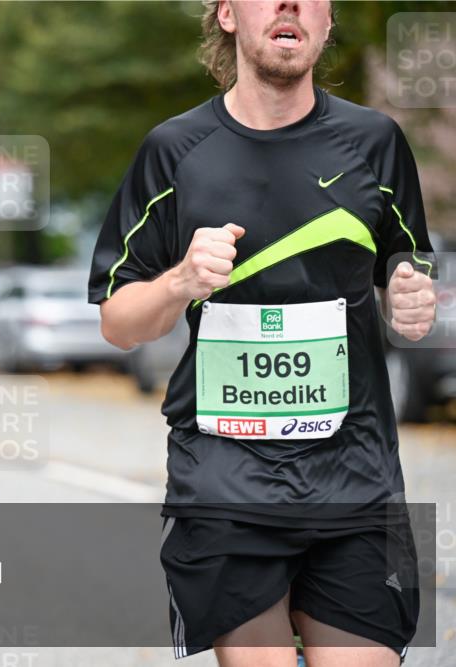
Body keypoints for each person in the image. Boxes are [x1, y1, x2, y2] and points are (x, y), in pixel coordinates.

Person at [89, 2, 436, 666]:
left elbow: (407, 267)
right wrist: (181, 280)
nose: (290, 4)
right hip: (226, 485)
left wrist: (411, 301)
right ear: (226, 14)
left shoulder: (375, 142)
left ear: (327, 22)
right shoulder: (174, 150)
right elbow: (118, 321)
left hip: (357, 480)